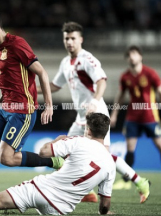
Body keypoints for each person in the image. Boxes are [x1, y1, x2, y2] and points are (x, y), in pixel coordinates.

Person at [40, 22, 150, 203]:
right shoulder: (65, 62)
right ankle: (87, 193)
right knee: (65, 154)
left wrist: (94, 101)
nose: (69, 42)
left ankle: (140, 182)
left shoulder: (87, 59)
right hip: (80, 118)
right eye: (66, 38)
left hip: (96, 112)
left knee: (103, 158)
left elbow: (102, 81)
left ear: (80, 39)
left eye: (73, 38)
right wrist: (29, 89)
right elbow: (54, 86)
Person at [0, 113, 115, 216]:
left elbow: (44, 152)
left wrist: (57, 141)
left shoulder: (78, 141)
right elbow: (105, 204)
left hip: (39, 190)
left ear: (88, 130)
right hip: (61, 208)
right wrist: (103, 212)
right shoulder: (110, 164)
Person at [0, 10, 62, 199]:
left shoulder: (17, 44)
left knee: (5, 158)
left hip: (22, 111)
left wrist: (48, 105)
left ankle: (51, 161)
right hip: (5, 108)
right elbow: (9, 85)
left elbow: (42, 73)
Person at [110, 45, 161, 191]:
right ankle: (125, 181)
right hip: (132, 118)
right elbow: (120, 96)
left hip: (151, 118)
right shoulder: (125, 77)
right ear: (127, 59)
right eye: (129, 55)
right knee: (130, 149)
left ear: (140, 56)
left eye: (134, 54)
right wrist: (114, 114)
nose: (132, 57)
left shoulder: (150, 74)